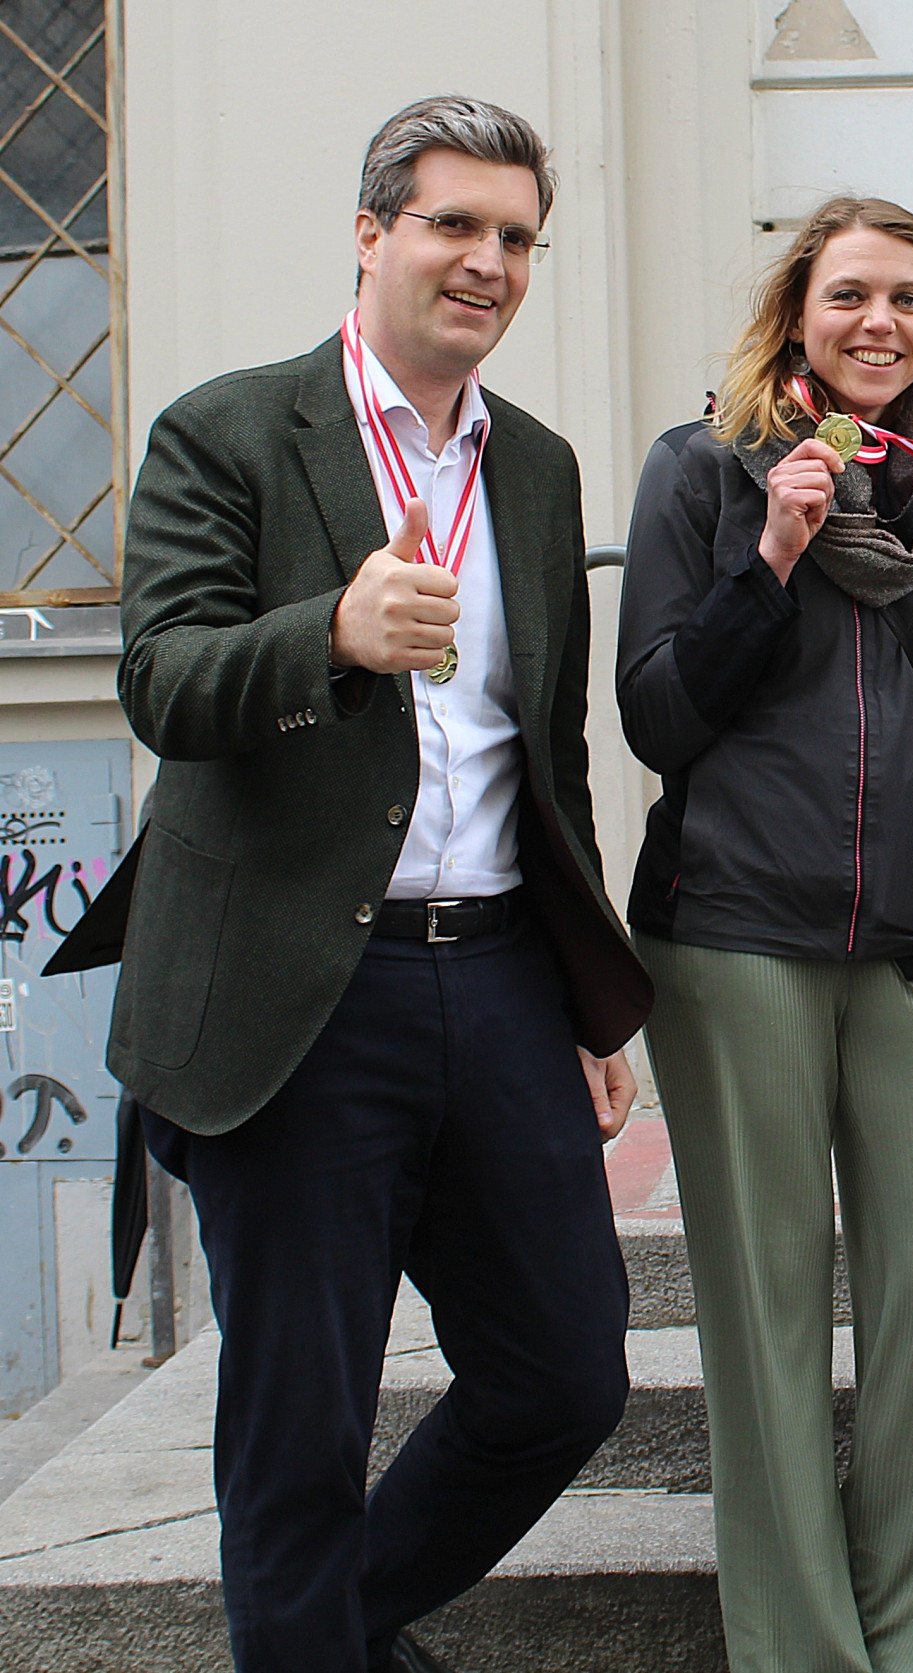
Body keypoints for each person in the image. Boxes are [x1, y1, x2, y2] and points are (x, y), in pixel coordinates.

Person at [45, 97, 653, 1673]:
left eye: (517, 237)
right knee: (299, 1426)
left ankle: (322, 1627)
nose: (489, 262)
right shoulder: (230, 429)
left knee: (567, 1372)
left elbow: (552, 757)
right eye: (455, 224)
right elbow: (162, 679)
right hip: (300, 998)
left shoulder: (540, 466)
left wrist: (589, 1003)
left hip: (500, 976)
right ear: (373, 233)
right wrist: (327, 631)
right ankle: (307, 1628)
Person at [615, 196, 913, 1673]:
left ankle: (902, 1643)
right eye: (851, 293)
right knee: (767, 1314)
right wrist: (773, 550)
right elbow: (657, 712)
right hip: (731, 940)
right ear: (799, 309)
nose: (880, 322)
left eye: (909, 299)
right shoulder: (701, 469)